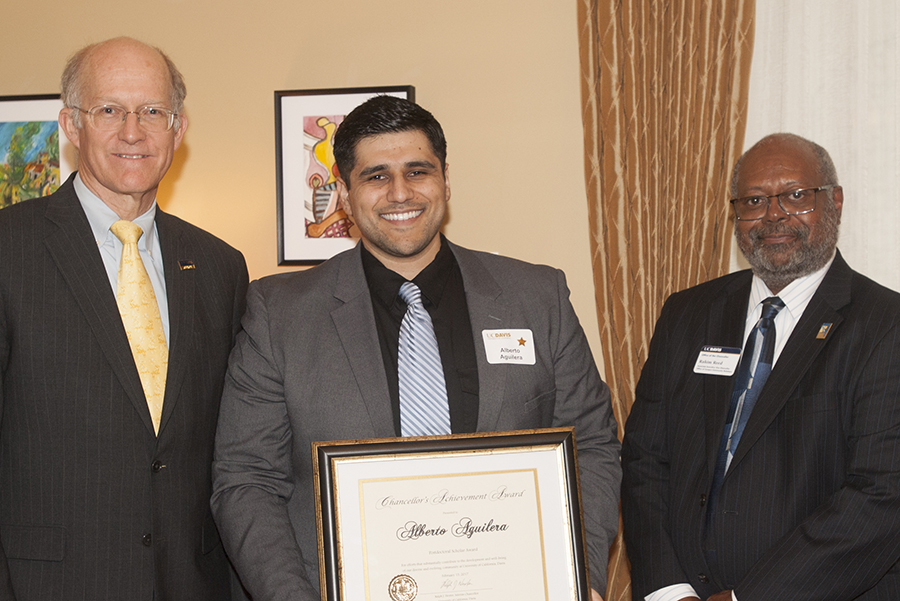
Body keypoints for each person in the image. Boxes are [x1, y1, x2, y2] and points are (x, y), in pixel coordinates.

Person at [211, 95, 620, 600]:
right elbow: (247, 479)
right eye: (376, 176)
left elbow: (593, 446)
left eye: (418, 171)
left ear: (446, 180)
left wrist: (578, 578)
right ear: (343, 192)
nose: (400, 193)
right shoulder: (280, 313)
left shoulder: (538, 297)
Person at [0, 37, 248, 600]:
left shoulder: (220, 266)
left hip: (192, 583)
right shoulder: (7, 250)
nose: (132, 131)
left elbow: (231, 446)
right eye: (108, 109)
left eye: (152, 112)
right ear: (70, 124)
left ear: (178, 130)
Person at [622, 133, 900, 601]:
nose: (774, 214)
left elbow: (881, 495)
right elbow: (645, 460)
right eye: (754, 200)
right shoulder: (687, 313)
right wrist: (670, 591)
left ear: (834, 201)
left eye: (796, 195)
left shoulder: (885, 326)